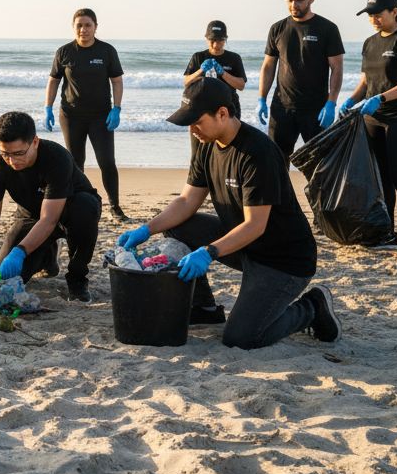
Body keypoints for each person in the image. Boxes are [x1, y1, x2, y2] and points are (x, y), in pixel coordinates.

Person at [117, 78, 340, 349]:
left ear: (222, 113)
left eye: (196, 121)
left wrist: (208, 252)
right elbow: (187, 201)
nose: (192, 129)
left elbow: (255, 226)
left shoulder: (258, 153)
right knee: (178, 226)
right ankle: (203, 308)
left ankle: (312, 307)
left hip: (282, 260)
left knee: (242, 337)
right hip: (244, 246)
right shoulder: (206, 144)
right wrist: (146, 229)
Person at [0, 111, 101, 301]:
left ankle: (77, 279)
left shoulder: (57, 158)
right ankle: (47, 259)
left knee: (84, 209)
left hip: (72, 210)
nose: (12, 161)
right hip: (32, 215)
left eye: (19, 153)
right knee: (4, 279)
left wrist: (20, 251)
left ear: (34, 142)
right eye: (5, 154)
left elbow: (50, 219)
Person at [340, 0, 397, 258]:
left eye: (379, 14)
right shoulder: (369, 43)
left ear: (395, 11)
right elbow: (366, 81)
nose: (374, 19)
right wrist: (350, 100)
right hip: (372, 119)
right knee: (382, 179)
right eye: (370, 15)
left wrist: (382, 98)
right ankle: (388, 232)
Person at [44, 8, 128, 222]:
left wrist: (116, 108)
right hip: (71, 116)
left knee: (107, 161)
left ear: (95, 27)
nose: (83, 29)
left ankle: (115, 207)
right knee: (76, 162)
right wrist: (48, 107)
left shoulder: (107, 51)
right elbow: (53, 81)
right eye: (79, 25)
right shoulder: (64, 52)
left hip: (101, 116)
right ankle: (76, 203)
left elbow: (116, 81)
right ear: (74, 28)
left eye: (88, 25)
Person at [257, 0, 345, 162]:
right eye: (289, 0)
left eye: (299, 0)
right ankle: (281, 192)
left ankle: (318, 193)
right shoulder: (277, 28)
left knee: (319, 164)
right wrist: (261, 98)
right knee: (277, 162)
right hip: (282, 107)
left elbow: (336, 68)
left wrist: (331, 102)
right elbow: (268, 66)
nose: (293, 5)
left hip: (316, 108)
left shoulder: (327, 28)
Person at [182, 20, 246, 158]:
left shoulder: (234, 58)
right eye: (212, 40)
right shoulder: (198, 57)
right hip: (201, 109)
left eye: (220, 40)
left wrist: (223, 72)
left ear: (225, 39)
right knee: (199, 153)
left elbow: (241, 85)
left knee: (228, 151)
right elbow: (186, 82)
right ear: (206, 39)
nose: (216, 44)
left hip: (228, 109)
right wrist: (200, 71)